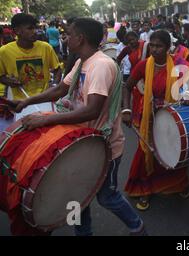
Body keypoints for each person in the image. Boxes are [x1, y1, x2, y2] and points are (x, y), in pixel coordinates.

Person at [11, 18, 147, 236]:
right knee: (76, 195)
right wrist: (28, 101)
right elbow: (60, 90)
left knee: (107, 197)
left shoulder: (101, 65)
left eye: (69, 34)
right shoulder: (82, 62)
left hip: (105, 146)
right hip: (80, 143)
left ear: (80, 38)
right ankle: (83, 234)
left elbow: (92, 110)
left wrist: (45, 119)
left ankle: (137, 227)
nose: (66, 38)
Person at [123, 30, 189, 211]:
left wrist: (187, 95)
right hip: (150, 117)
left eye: (159, 46)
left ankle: (178, 184)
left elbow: (187, 87)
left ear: (168, 47)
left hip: (171, 117)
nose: (154, 49)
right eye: (151, 45)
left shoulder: (179, 65)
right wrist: (126, 109)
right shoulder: (143, 65)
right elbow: (127, 87)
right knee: (147, 152)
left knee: (173, 151)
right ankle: (144, 189)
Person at [0, 14, 61, 100]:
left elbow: (57, 69)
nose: (35, 31)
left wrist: (54, 85)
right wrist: (9, 81)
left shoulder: (46, 47)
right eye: (30, 28)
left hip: (44, 100)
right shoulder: (4, 51)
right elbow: (1, 76)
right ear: (17, 31)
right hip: (20, 103)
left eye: (35, 28)